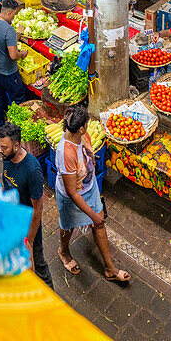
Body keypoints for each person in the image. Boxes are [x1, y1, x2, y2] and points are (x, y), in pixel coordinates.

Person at [54, 105, 130, 284]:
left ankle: (110, 268)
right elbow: (72, 192)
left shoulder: (82, 135)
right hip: (71, 197)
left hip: (89, 188)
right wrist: (92, 214)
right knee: (68, 226)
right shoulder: (66, 152)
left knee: (99, 224)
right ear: (80, 128)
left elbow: (87, 154)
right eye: (87, 124)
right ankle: (63, 252)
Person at [0, 122, 53, 289]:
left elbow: (38, 209)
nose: (0, 151)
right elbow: (6, 183)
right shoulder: (7, 157)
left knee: (38, 264)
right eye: (1, 146)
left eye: (4, 147)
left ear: (16, 145)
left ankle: (50, 298)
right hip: (12, 221)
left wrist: (29, 240)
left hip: (28, 225)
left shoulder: (32, 170)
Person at [0, 0, 29, 125]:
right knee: (19, 98)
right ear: (10, 12)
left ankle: (0, 125)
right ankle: (14, 127)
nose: (14, 18)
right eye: (14, 14)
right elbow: (13, 55)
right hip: (8, 71)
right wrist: (23, 54)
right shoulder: (9, 30)